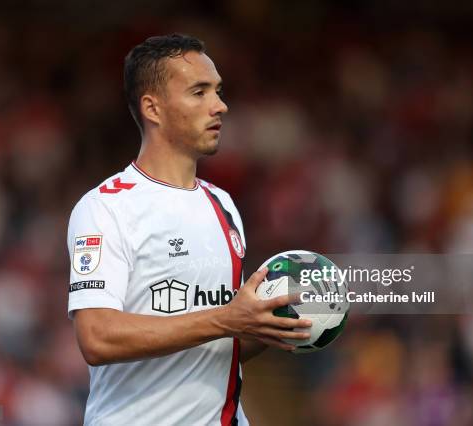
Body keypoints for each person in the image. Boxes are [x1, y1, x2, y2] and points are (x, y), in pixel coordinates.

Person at [67, 33, 311, 426]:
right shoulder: (105, 207)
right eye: (199, 92)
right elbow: (96, 337)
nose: (220, 106)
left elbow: (223, 340)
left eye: (217, 91)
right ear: (153, 108)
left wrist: (274, 324)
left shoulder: (223, 204)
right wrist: (228, 319)